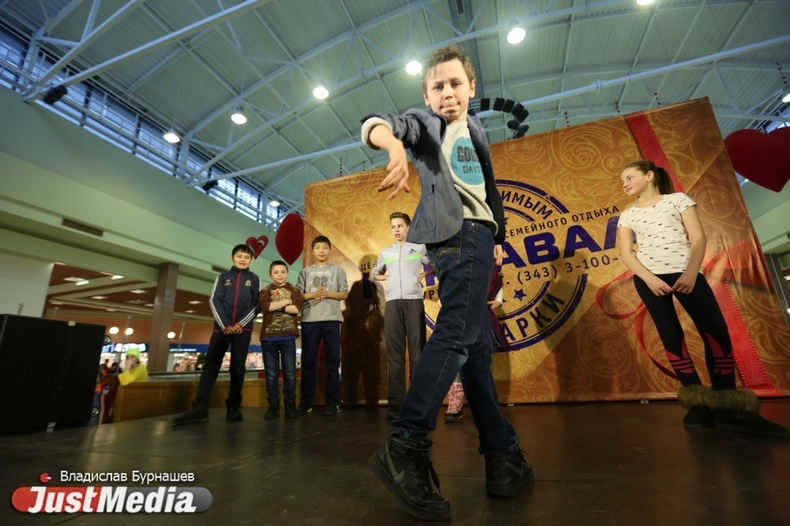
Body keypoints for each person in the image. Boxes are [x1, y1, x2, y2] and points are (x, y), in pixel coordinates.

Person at [361, 45, 533, 521]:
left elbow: (488, 189)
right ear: (426, 95)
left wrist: (497, 235)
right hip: (457, 235)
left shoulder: (475, 128)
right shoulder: (425, 123)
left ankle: (501, 456)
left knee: (475, 350)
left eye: (456, 83)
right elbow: (377, 123)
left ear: (472, 87)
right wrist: (394, 146)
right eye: (437, 86)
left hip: (479, 235)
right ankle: (405, 443)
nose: (447, 92)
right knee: (457, 333)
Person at [617, 160, 788, 437]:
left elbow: (698, 238)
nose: (624, 183)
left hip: (686, 273)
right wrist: (649, 279)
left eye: (629, 177)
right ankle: (697, 403)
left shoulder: (678, 200)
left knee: (715, 330)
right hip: (649, 279)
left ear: (649, 176)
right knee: (671, 335)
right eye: (622, 180)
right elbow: (626, 252)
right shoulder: (628, 214)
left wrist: (690, 273)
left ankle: (727, 405)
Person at [173, 244, 261, 425]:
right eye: (239, 256)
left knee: (237, 368)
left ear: (251, 260)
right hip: (221, 329)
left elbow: (257, 304)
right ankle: (200, 408)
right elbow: (214, 300)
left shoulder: (254, 279)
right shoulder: (223, 277)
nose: (243, 259)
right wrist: (225, 325)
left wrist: (240, 324)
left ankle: (234, 407)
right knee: (210, 366)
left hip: (243, 330)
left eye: (247, 257)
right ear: (232, 257)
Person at [373, 211, 432, 420]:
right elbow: (375, 273)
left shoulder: (418, 248)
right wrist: (385, 277)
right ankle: (396, 405)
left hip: (414, 301)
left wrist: (427, 273)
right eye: (393, 227)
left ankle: (418, 404)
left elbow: (434, 263)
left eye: (399, 226)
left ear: (408, 227)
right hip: (392, 303)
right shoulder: (386, 252)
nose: (396, 230)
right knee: (395, 355)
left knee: (417, 353)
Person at [444, 265, 509, 423]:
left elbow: (496, 287)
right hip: (459, 320)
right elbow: (444, 295)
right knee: (457, 362)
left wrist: (498, 301)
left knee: (482, 361)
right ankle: (455, 404)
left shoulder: (488, 266)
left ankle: (486, 407)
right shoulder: (456, 266)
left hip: (482, 319)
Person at [296, 235, 349, 416]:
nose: (321, 251)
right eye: (318, 247)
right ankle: (306, 402)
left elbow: (344, 294)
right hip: (310, 319)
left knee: (333, 360)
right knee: (308, 361)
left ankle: (334, 401)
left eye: (325, 247)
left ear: (329, 250)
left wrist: (327, 293)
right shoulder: (305, 272)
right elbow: (299, 296)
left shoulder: (337, 270)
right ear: (312, 251)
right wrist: (313, 295)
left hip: (332, 319)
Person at [259, 260, 304, 420]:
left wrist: (276, 305)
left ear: (287, 273)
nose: (280, 275)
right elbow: (266, 307)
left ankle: (290, 405)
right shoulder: (265, 290)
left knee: (290, 373)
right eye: (276, 272)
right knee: (271, 373)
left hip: (288, 336)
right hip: (268, 337)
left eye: (283, 272)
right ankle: (273, 406)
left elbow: (296, 309)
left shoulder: (294, 290)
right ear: (270, 274)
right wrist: (286, 302)